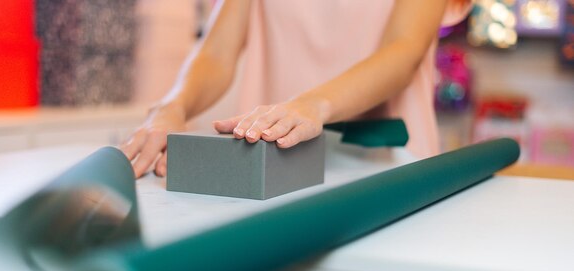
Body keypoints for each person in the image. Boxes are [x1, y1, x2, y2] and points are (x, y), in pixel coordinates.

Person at [121, 0, 472, 178]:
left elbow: (403, 52)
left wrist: (311, 106)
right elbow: (216, 52)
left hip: (388, 168)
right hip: (272, 169)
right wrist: (173, 106)